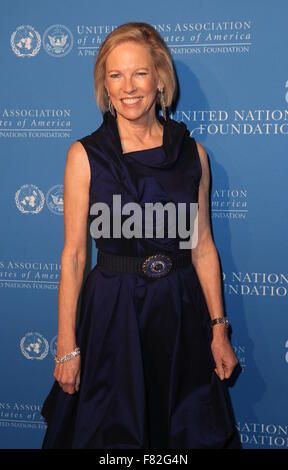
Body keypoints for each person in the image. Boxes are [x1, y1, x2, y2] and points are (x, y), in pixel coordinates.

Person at [40, 21, 241, 449]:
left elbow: (203, 247)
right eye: (115, 75)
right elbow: (74, 257)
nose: (128, 86)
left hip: (181, 313)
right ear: (104, 86)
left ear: (160, 80)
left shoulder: (194, 154)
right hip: (113, 317)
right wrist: (66, 346)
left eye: (140, 73)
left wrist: (219, 328)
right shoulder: (84, 156)